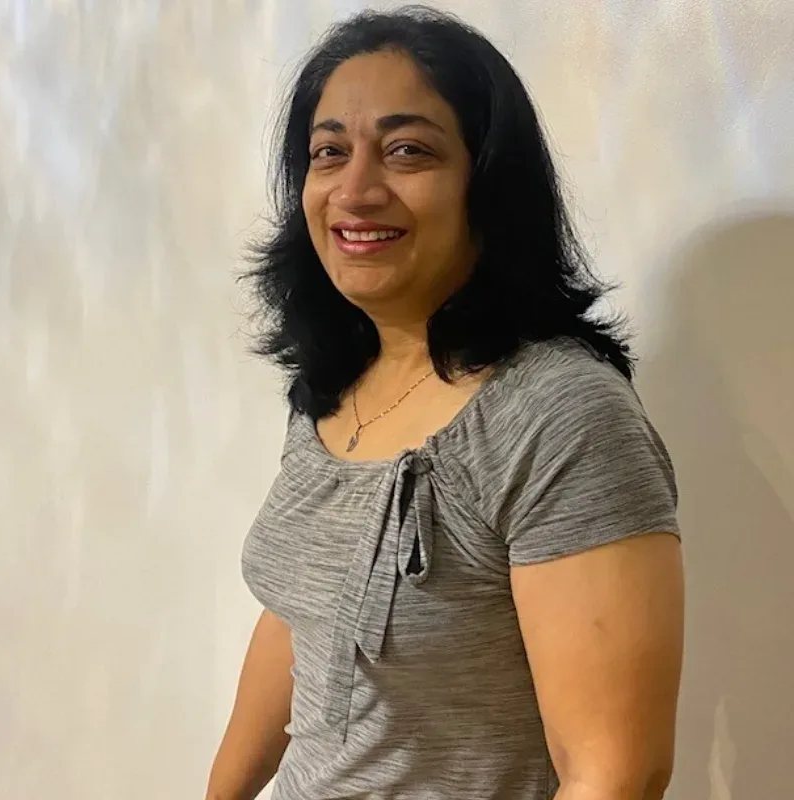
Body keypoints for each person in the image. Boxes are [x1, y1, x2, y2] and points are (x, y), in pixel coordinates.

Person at [207, 5, 684, 800]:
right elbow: (297, 620)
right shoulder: (338, 382)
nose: (356, 189)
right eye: (329, 153)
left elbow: (616, 771)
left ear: (487, 185)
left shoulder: (557, 415)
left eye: (407, 150)